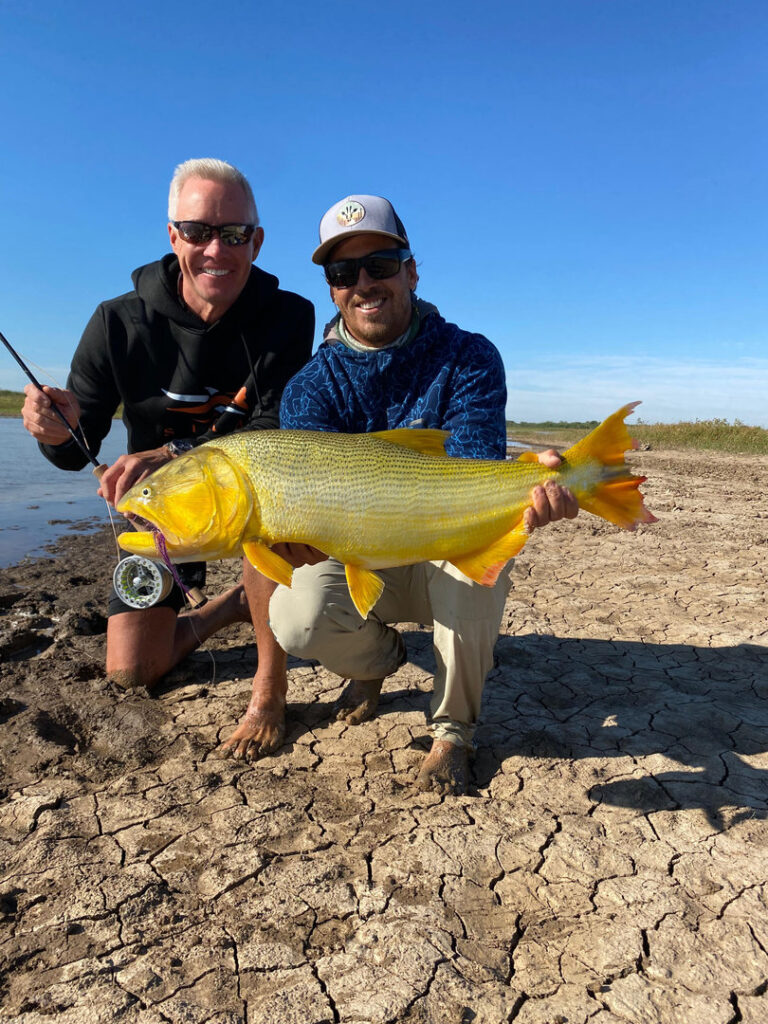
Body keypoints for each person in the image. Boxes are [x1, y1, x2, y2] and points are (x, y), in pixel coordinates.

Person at [261, 194, 578, 795]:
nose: (364, 283)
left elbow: (471, 475)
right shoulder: (309, 386)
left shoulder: (470, 356)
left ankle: (453, 730)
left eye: (380, 264)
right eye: (343, 272)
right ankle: (379, 666)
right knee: (294, 617)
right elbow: (311, 499)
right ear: (331, 289)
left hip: (442, 537)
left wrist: (526, 492)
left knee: (477, 571)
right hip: (359, 553)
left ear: (411, 269)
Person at [21, 158, 314, 752]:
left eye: (234, 234)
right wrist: (54, 431)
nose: (216, 250)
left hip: (253, 497)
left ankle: (268, 688)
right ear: (172, 234)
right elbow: (80, 454)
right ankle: (225, 607)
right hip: (166, 519)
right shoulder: (116, 323)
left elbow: (272, 429)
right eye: (199, 231)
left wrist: (172, 450)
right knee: (131, 670)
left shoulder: (290, 318)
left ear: (256, 242)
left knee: (264, 504)